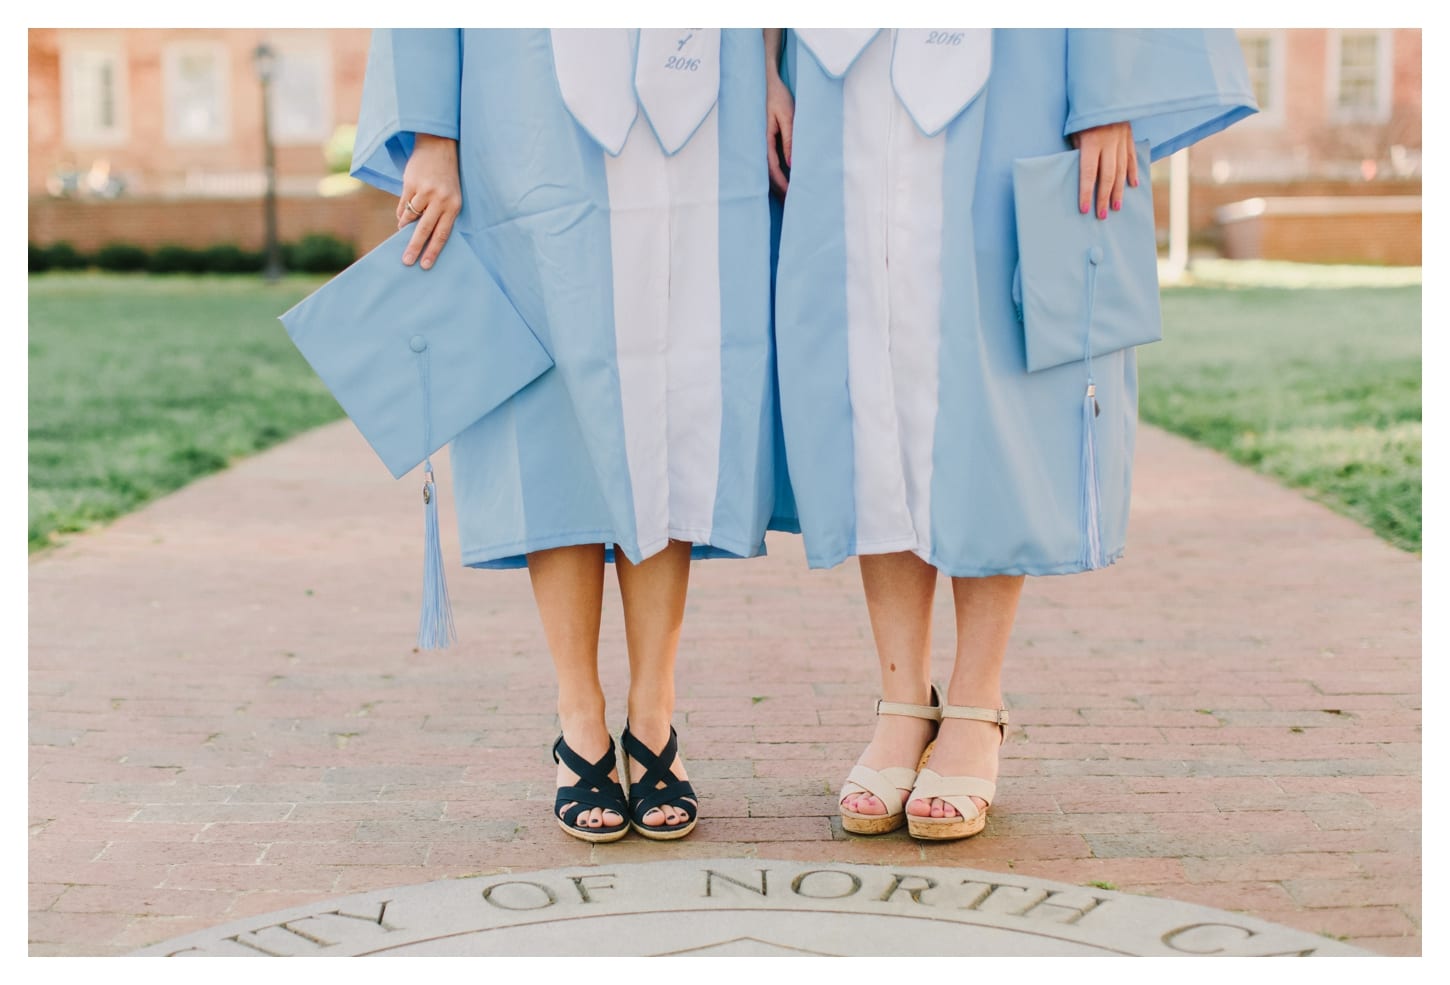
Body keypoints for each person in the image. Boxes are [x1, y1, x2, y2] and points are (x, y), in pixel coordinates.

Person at [765, 28, 1255, 840]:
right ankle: (900, 701)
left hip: (1011, 58)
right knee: (871, 369)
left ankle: (976, 701)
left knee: (988, 368)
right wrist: (763, 67)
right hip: (839, 70)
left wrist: (1110, 91)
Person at [350, 29, 780, 842]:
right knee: (550, 404)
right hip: (526, 96)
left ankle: (653, 711)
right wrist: (433, 136)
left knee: (672, 390)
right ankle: (579, 711)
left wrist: (766, 69)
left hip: (696, 90)